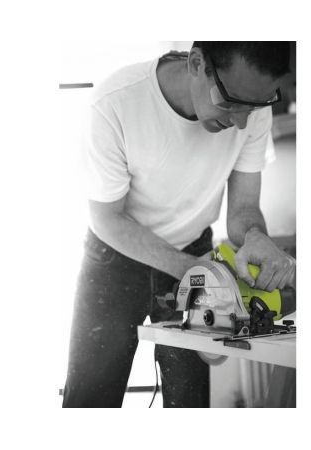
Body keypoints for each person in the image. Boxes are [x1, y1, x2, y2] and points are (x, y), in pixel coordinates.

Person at [62, 41, 296, 408]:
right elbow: (106, 218)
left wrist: (255, 236)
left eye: (252, 108)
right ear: (197, 63)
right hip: (115, 257)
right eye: (230, 102)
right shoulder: (115, 103)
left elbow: (244, 208)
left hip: (194, 248)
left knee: (188, 402)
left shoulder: (253, 106)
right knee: (91, 397)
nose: (239, 122)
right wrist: (196, 272)